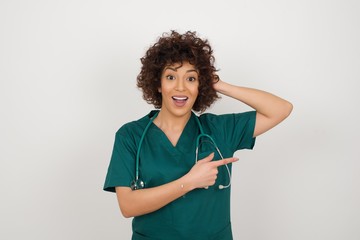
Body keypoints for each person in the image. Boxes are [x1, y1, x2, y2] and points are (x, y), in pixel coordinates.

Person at [103, 30, 293, 240]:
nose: (181, 87)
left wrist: (219, 84)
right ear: (158, 84)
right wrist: (190, 181)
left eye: (191, 78)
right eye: (171, 77)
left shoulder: (219, 130)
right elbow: (128, 206)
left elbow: (281, 109)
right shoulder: (130, 136)